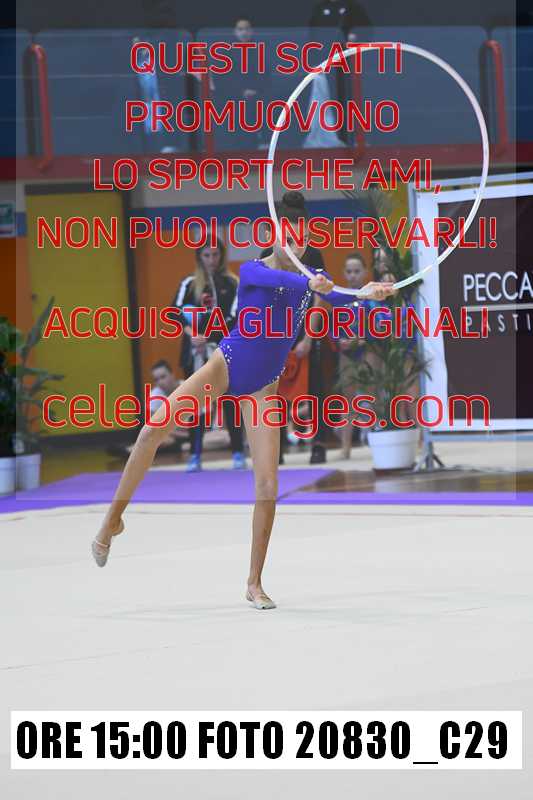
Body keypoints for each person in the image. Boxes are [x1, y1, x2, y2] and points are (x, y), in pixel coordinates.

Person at [91, 192, 395, 609]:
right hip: (227, 366)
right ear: (276, 235)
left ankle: (254, 582)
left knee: (268, 484)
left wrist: (368, 292)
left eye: (305, 237)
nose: (299, 243)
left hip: (263, 387)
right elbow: (284, 283)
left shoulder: (313, 278)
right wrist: (311, 283)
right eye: (291, 236)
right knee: (149, 432)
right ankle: (112, 520)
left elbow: (340, 294)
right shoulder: (255, 270)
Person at [171, 237, 246, 472]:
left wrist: (210, 336)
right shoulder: (189, 283)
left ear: (221, 256)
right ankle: (195, 455)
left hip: (223, 350)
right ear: (199, 257)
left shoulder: (233, 283)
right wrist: (192, 333)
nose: (211, 260)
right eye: (206, 255)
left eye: (215, 255)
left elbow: (235, 316)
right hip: (194, 352)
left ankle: (238, 452)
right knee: (195, 403)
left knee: (229, 402)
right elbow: (174, 312)